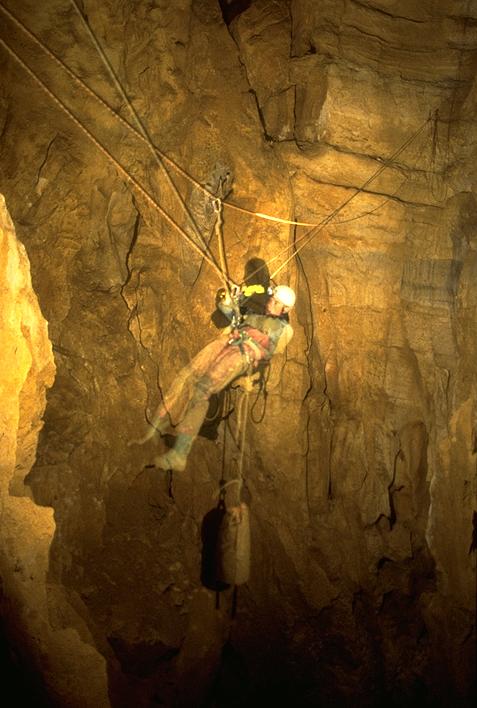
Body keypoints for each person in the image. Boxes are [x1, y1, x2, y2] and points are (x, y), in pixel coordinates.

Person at [147, 284, 296, 472]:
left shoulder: (284, 328)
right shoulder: (256, 315)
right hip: (228, 345)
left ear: (286, 309)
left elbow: (269, 329)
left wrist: (242, 310)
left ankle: (180, 454)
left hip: (241, 356)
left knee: (202, 390)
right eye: (271, 300)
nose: (270, 303)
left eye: (275, 303)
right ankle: (158, 422)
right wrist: (231, 301)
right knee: (188, 374)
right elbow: (228, 312)